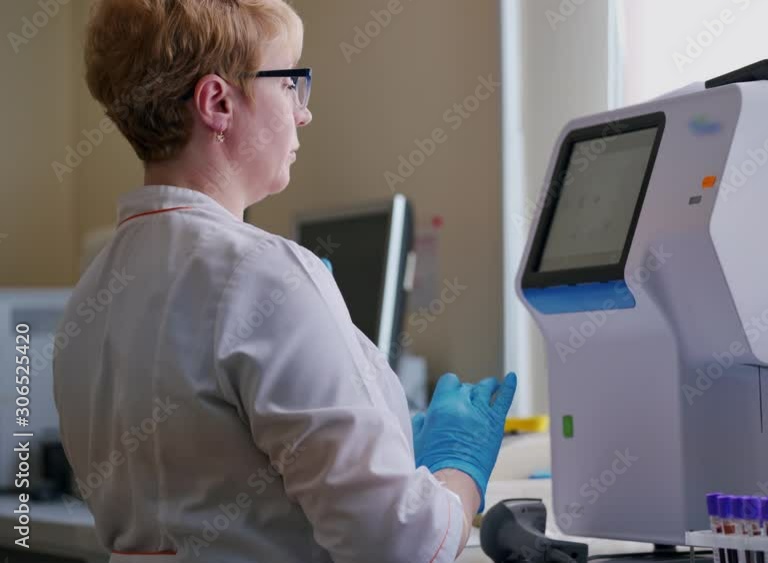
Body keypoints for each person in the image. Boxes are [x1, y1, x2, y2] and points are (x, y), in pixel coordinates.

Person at [52, 1, 516, 562]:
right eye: (290, 82)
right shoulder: (263, 274)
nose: (303, 113)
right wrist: (458, 467)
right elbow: (403, 545)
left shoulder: (89, 295)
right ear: (218, 102)